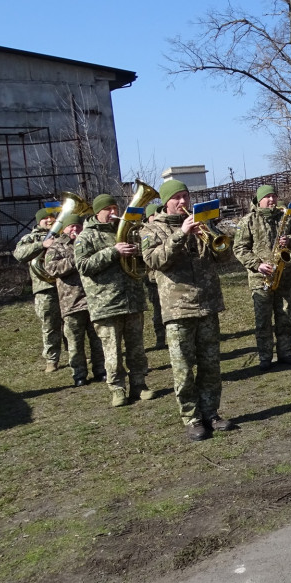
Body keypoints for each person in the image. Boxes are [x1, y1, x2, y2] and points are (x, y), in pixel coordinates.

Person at [141, 180, 234, 441]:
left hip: (207, 304)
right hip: (178, 308)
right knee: (183, 368)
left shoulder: (201, 222)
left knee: (210, 365)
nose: (183, 202)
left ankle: (211, 413)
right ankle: (192, 418)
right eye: (177, 198)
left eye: (185, 196)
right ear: (166, 201)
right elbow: (153, 260)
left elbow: (224, 256)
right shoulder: (151, 228)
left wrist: (215, 233)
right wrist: (181, 234)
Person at [74, 193, 152, 407]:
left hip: (132, 299)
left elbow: (143, 262)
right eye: (108, 209)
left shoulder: (126, 231)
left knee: (137, 348)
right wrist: (113, 252)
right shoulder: (86, 237)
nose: (113, 213)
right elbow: (83, 266)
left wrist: (137, 252)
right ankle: (117, 389)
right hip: (106, 303)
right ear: (97, 212)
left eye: (115, 208)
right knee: (112, 352)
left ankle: (140, 384)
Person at [233, 184, 291, 369]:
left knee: (285, 316)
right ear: (259, 200)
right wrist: (257, 265)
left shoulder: (285, 218)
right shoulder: (248, 220)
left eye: (274, 196)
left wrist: (290, 240)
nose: (272, 200)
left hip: (284, 276)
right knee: (263, 320)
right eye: (268, 197)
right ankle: (265, 356)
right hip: (260, 278)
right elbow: (239, 248)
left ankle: (286, 353)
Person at [42, 213, 105, 388]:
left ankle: (100, 370)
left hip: (92, 299)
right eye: (71, 226)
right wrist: (75, 259)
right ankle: (79, 374)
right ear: (65, 228)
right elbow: (52, 269)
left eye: (78, 226)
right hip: (71, 303)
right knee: (75, 343)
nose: (75, 229)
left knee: (97, 339)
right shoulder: (56, 247)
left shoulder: (87, 242)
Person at [13, 207, 63, 372]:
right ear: (38, 221)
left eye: (52, 218)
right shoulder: (30, 238)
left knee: (72, 323)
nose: (49, 220)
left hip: (65, 285)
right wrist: (42, 244)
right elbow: (19, 254)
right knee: (49, 324)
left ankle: (77, 354)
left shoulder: (62, 234)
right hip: (44, 287)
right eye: (45, 218)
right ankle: (51, 359)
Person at [143, 203, 167, 349]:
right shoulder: (144, 231)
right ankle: (160, 338)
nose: (156, 218)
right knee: (158, 310)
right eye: (153, 216)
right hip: (152, 279)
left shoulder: (163, 228)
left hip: (166, 276)